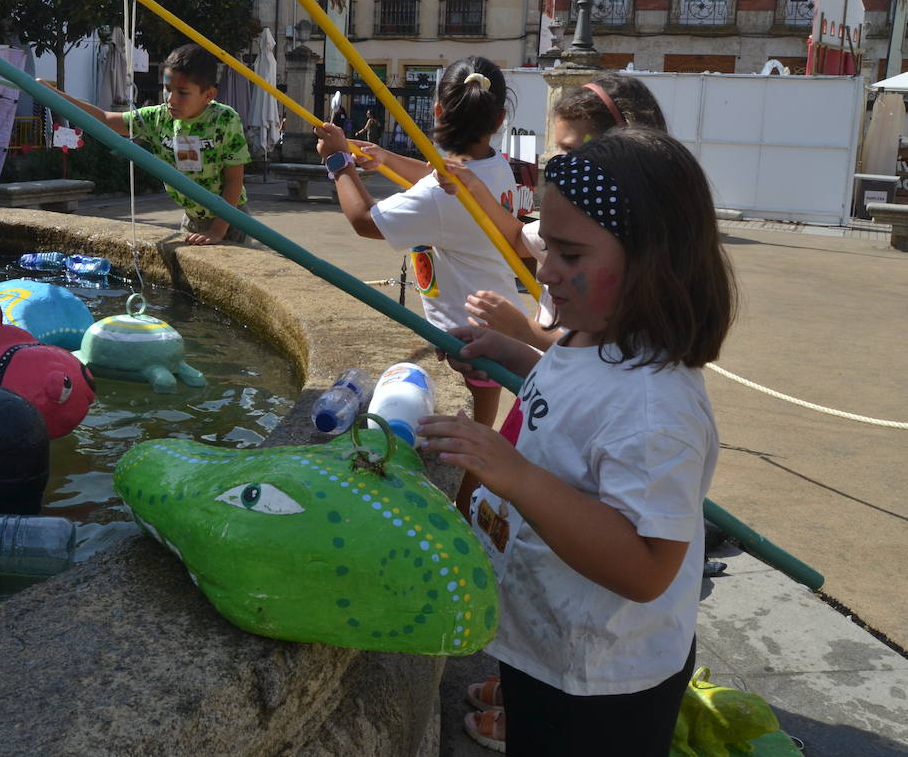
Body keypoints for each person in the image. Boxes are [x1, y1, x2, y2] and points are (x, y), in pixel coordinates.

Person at [417, 128, 735, 755]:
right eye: (545, 245)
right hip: (551, 637)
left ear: (651, 261)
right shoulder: (593, 336)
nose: (544, 269)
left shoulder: (657, 407)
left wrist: (516, 476)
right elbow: (576, 399)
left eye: (569, 254)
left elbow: (647, 568)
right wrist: (514, 354)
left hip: (602, 680)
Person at [315, 56, 524, 428]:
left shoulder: (440, 195)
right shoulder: (494, 165)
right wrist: (385, 160)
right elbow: (436, 174)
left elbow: (365, 221)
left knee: (473, 439)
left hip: (470, 336)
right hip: (495, 320)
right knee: (480, 425)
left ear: (438, 110)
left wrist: (338, 163)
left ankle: (468, 487)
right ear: (499, 120)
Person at [454, 73, 667, 352]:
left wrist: (521, 330)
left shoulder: (628, 253)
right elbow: (520, 239)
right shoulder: (580, 219)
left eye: (571, 150)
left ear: (623, 148)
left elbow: (592, 358)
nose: (544, 274)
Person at [36, 43, 251, 245]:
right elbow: (105, 119)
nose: (171, 99)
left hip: (230, 220)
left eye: (183, 92)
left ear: (209, 94)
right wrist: (54, 95)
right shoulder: (159, 118)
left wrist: (217, 230)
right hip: (192, 218)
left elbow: (234, 180)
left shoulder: (224, 120)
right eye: (167, 89)